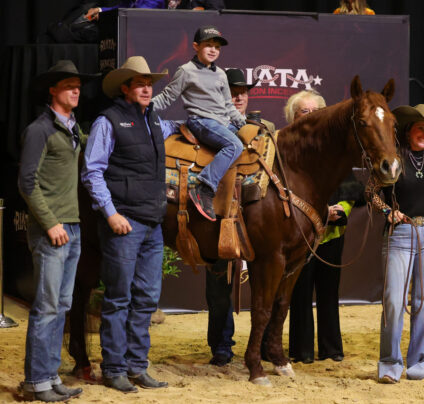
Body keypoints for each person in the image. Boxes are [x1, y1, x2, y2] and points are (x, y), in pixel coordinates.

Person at [81, 56, 176, 393]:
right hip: (124, 221)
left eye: (150, 83)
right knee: (119, 298)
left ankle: (136, 366)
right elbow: (92, 172)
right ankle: (114, 368)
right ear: (125, 88)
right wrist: (110, 214)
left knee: (147, 298)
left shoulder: (154, 120)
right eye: (140, 83)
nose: (147, 88)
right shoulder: (109, 121)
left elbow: (176, 128)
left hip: (151, 223)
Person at [18, 60, 96, 402]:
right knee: (47, 307)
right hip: (52, 230)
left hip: (73, 228)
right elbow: (26, 182)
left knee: (61, 305)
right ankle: (35, 382)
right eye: (68, 85)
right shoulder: (40, 129)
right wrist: (50, 223)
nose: (76, 90)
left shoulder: (74, 129)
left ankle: (50, 376)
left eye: (78, 85)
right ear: (53, 90)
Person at [367, 104, 424, 383]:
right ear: (409, 131)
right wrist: (387, 211)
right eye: (421, 129)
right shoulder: (394, 160)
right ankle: (389, 364)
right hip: (400, 233)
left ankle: (418, 362)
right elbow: (371, 192)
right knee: (394, 301)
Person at [287, 89, 355, 363]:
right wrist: (318, 211)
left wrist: (342, 211)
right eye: (305, 112)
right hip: (299, 234)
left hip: (332, 234)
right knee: (299, 295)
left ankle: (331, 349)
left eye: (316, 111)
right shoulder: (286, 148)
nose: (312, 116)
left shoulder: (336, 150)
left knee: (329, 293)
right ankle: (301, 352)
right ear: (293, 118)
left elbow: (352, 191)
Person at [152, 25, 246, 221]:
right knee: (234, 145)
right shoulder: (186, 71)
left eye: (217, 47)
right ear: (195, 46)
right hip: (201, 121)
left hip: (222, 122)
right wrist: (143, 106)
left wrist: (242, 123)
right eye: (208, 45)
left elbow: (228, 106)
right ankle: (204, 187)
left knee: (249, 138)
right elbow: (167, 98)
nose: (213, 50)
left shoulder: (221, 73)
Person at [205, 68, 258, 367]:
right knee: (219, 286)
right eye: (232, 91)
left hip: (256, 218)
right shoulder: (210, 129)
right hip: (222, 216)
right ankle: (221, 345)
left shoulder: (262, 129)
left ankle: (261, 343)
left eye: (243, 92)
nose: (238, 96)